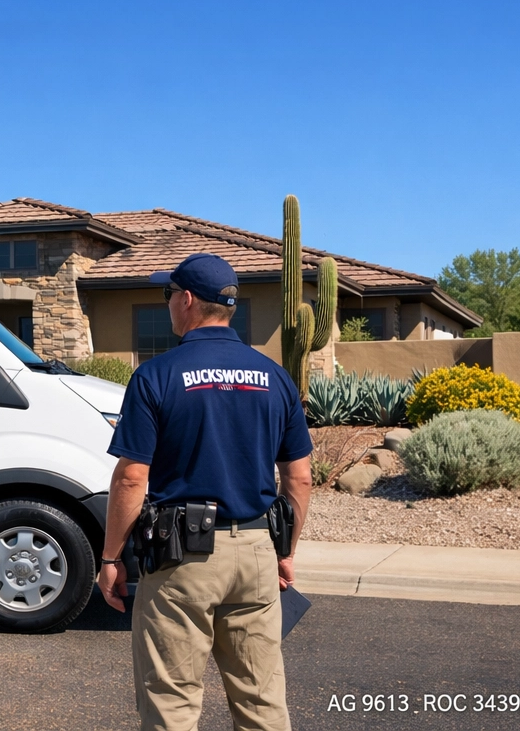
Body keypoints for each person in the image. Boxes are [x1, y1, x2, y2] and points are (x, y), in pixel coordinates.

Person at [96, 253, 314, 731]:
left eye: (168, 293)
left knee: (172, 706)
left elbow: (133, 478)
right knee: (262, 703)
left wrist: (111, 558)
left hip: (183, 562)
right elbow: (299, 477)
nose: (168, 303)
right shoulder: (276, 377)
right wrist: (285, 550)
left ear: (188, 300)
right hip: (257, 552)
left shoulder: (156, 376)